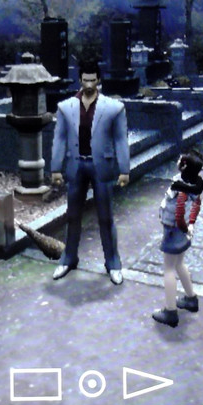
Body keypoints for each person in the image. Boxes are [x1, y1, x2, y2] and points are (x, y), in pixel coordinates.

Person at [50, 61, 130, 285]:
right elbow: (60, 138)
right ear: (80, 80)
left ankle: (113, 263)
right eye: (85, 80)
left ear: (99, 80)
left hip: (101, 166)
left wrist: (124, 169)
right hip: (76, 166)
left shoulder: (114, 108)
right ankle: (68, 258)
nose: (88, 84)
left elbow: (120, 139)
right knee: (72, 215)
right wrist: (56, 167)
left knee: (106, 216)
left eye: (92, 80)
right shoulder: (66, 107)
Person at [152, 149, 203, 327]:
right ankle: (191, 298)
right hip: (182, 231)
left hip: (174, 231)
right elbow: (196, 205)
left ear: (184, 165)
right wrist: (191, 225)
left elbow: (179, 214)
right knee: (179, 264)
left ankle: (170, 311)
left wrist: (184, 227)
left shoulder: (180, 189)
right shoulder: (195, 184)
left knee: (168, 269)